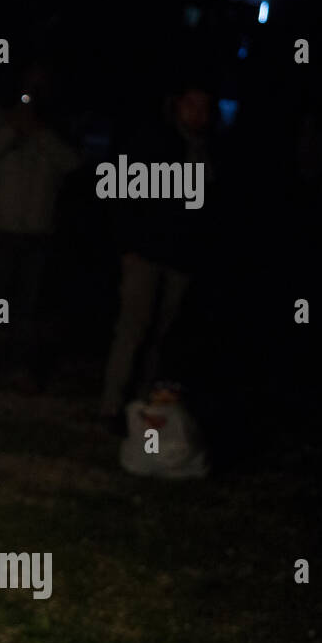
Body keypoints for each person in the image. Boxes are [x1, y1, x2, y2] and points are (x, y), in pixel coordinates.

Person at [98, 77, 216, 430]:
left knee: (162, 335)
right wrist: (127, 247)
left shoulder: (208, 149)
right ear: (177, 105)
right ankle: (112, 406)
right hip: (146, 252)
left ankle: (146, 404)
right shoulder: (153, 141)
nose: (197, 113)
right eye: (191, 105)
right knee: (133, 329)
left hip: (181, 257)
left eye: (204, 107)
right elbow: (126, 194)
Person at [0, 61, 81, 393]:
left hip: (38, 230)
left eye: (40, 84)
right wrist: (12, 131)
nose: (34, 91)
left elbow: (73, 162)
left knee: (28, 307)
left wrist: (40, 133)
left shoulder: (56, 125)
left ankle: (20, 368)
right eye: (29, 84)